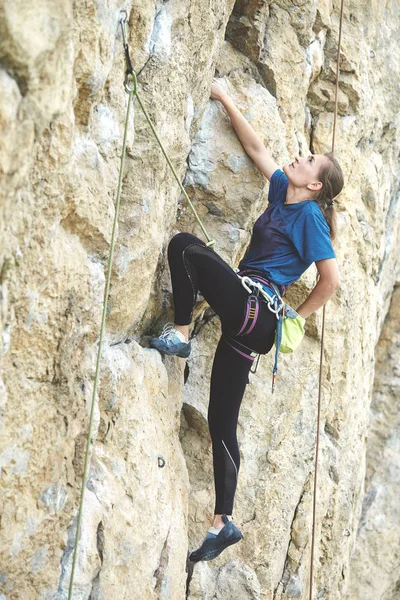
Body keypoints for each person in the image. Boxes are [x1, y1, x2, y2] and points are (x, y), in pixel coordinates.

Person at [150, 79, 343, 562]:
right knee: (221, 419)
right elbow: (257, 148)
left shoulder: (311, 219)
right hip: (251, 323)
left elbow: (330, 280)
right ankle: (223, 521)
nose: (298, 158)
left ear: (314, 184)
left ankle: (180, 332)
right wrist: (224, 98)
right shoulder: (283, 193)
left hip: (260, 311)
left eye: (307, 161)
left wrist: (294, 317)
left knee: (183, 246)